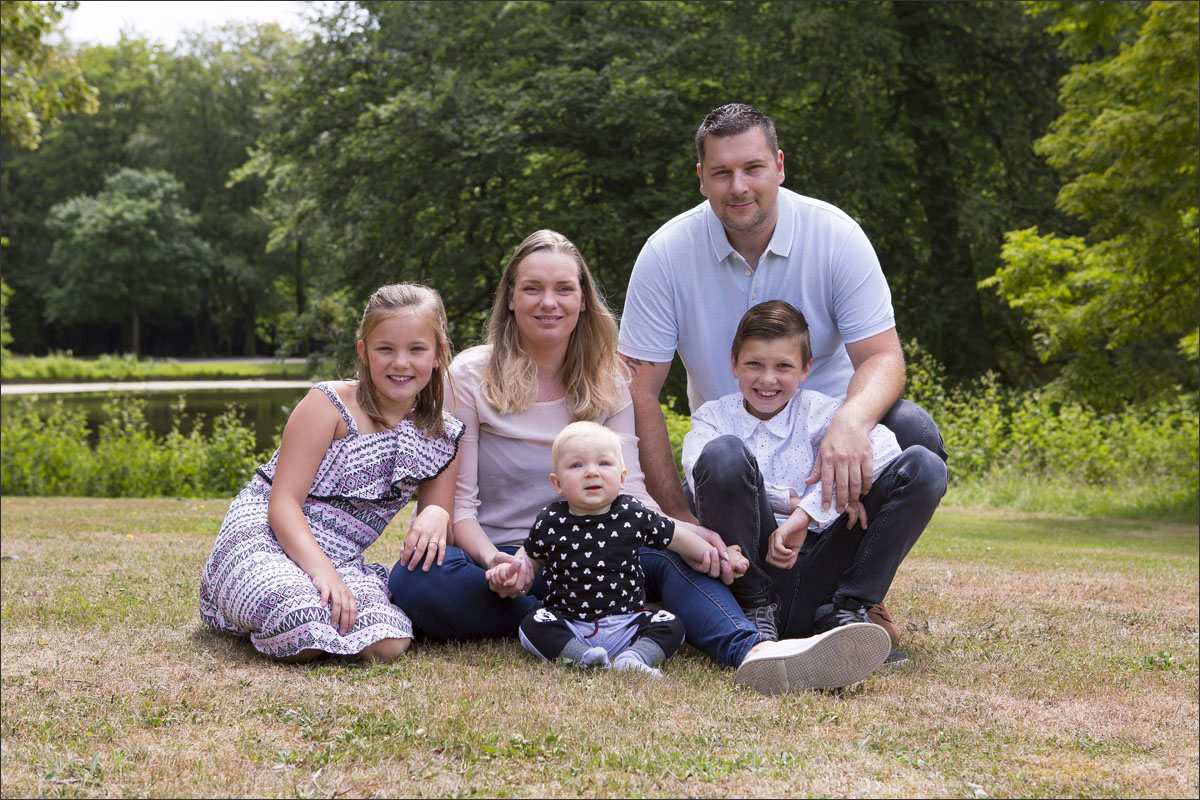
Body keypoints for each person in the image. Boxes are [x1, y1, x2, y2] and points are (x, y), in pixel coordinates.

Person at [390, 229, 893, 694]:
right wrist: (499, 563)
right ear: (511, 298)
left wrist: (688, 533)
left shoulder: (608, 376)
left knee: (676, 557)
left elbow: (630, 490)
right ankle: (586, 615)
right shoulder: (470, 375)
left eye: (564, 288)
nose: (549, 302)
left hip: (607, 548)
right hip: (511, 558)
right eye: (532, 289)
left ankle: (756, 652)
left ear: (582, 300)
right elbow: (462, 504)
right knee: (417, 582)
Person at [618, 102, 949, 646]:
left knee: (914, 436)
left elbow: (883, 357)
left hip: (834, 446)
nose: (738, 186)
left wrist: (849, 425)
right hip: (735, 466)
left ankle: (856, 600)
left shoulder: (835, 235)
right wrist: (680, 522)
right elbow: (641, 394)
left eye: (753, 168)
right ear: (701, 179)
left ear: (779, 166)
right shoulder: (666, 254)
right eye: (721, 172)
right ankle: (747, 596)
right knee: (725, 461)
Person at [199, 284, 463, 663]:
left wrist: (438, 514)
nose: (400, 362)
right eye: (385, 349)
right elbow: (283, 503)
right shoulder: (329, 404)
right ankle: (247, 599)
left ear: (439, 355)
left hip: (341, 555)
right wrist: (322, 574)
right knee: (301, 625)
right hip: (267, 533)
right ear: (363, 351)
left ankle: (311, 610)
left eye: (416, 349)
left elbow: (437, 537)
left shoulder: (442, 437)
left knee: (388, 642)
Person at [682, 302, 946, 672]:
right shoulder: (713, 416)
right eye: (755, 364)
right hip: (749, 576)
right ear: (734, 363)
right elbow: (697, 475)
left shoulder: (820, 412)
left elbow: (888, 447)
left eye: (784, 366)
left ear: (806, 369)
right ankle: (754, 615)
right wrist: (795, 501)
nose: (768, 379)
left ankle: (846, 612)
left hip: (820, 567)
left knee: (926, 467)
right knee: (723, 454)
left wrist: (809, 513)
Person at [491, 421, 738, 677]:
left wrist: (717, 556)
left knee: (670, 624)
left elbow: (678, 537)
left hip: (628, 622)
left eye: (604, 463)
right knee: (534, 624)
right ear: (558, 483)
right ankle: (581, 658)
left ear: (622, 478)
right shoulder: (550, 520)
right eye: (577, 465)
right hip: (570, 622)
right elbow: (531, 556)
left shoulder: (632, 513)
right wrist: (515, 568)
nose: (591, 472)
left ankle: (634, 658)